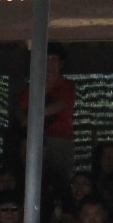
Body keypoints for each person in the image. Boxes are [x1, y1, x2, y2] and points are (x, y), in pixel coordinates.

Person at [18, 43, 77, 189]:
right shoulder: (31, 87)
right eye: (46, 60)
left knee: (60, 180)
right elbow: (20, 111)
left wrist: (33, 117)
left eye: (54, 60)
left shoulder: (68, 85)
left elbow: (61, 105)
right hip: (33, 140)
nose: (50, 64)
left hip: (59, 139)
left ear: (61, 64)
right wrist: (26, 124)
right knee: (30, 180)